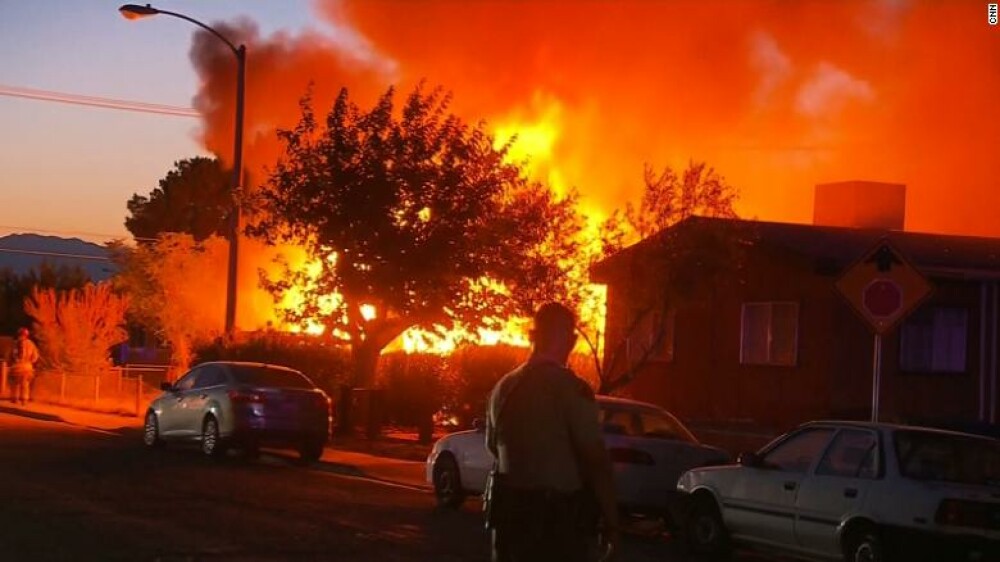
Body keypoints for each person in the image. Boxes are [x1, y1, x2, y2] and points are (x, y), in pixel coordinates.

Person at [485, 302, 619, 562]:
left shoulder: (502, 389)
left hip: (510, 526)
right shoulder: (571, 389)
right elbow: (595, 460)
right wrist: (613, 524)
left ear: (533, 336)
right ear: (569, 340)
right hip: (557, 528)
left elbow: (493, 447)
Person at [7, 327, 40, 405]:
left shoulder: (14, 344)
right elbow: (35, 356)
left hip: (16, 367)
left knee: (15, 384)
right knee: (25, 384)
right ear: (27, 335)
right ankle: (24, 400)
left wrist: (11, 363)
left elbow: (9, 356)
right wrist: (30, 362)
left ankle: (15, 398)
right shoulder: (31, 344)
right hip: (27, 367)